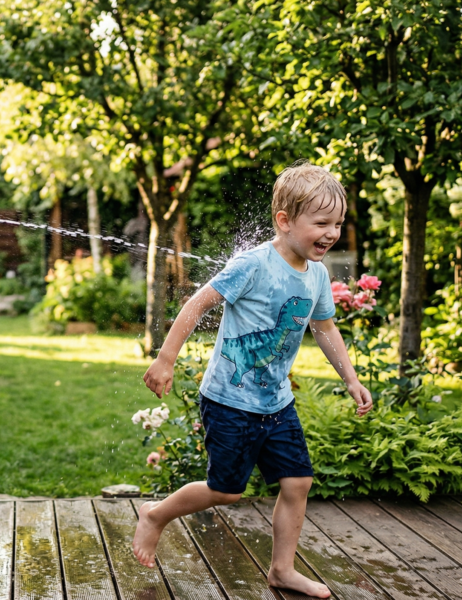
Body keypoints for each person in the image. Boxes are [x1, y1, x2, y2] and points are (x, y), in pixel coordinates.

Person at [134, 161, 372, 598]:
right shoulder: (253, 264)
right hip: (228, 400)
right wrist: (166, 358)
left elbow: (325, 328)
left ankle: (282, 570)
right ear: (284, 221)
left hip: (276, 403)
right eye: (321, 223)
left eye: (337, 223)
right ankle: (156, 515)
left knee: (297, 482)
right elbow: (197, 304)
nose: (332, 233)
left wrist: (351, 378)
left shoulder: (317, 275)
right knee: (226, 492)